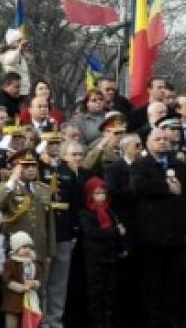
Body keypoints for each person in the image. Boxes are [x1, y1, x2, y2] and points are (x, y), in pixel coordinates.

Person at [130, 127, 185, 328]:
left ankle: (171, 320)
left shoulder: (178, 165)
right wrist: (166, 187)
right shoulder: (140, 165)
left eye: (165, 139)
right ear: (148, 143)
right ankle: (151, 321)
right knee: (151, 281)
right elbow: (137, 187)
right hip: (150, 234)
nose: (162, 142)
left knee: (173, 281)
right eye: (157, 139)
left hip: (176, 233)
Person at [78, 176, 124, 328]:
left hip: (111, 257)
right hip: (95, 259)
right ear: (90, 195)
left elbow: (118, 230)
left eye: (103, 193)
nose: (101, 196)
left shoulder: (110, 211)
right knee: (96, 293)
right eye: (97, 193)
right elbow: (93, 233)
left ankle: (107, 322)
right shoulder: (86, 213)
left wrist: (122, 245)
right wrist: (115, 231)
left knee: (110, 292)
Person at [0, 231, 42, 328]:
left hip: (30, 299)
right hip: (13, 300)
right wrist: (21, 287)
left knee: (29, 322)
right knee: (12, 322)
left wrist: (34, 283)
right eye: (24, 247)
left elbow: (39, 277)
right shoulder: (10, 263)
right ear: (16, 248)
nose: (27, 250)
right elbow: (7, 279)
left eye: (29, 247)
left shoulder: (34, 263)